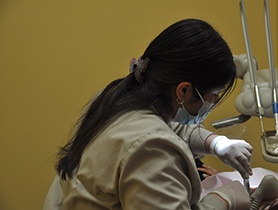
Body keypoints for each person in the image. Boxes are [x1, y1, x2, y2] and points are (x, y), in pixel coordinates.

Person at [43, 18, 253, 210]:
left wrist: (214, 142)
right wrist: (224, 199)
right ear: (184, 90)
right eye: (214, 94)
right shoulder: (152, 148)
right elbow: (152, 138)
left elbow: (167, 127)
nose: (214, 102)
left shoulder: (114, 97)